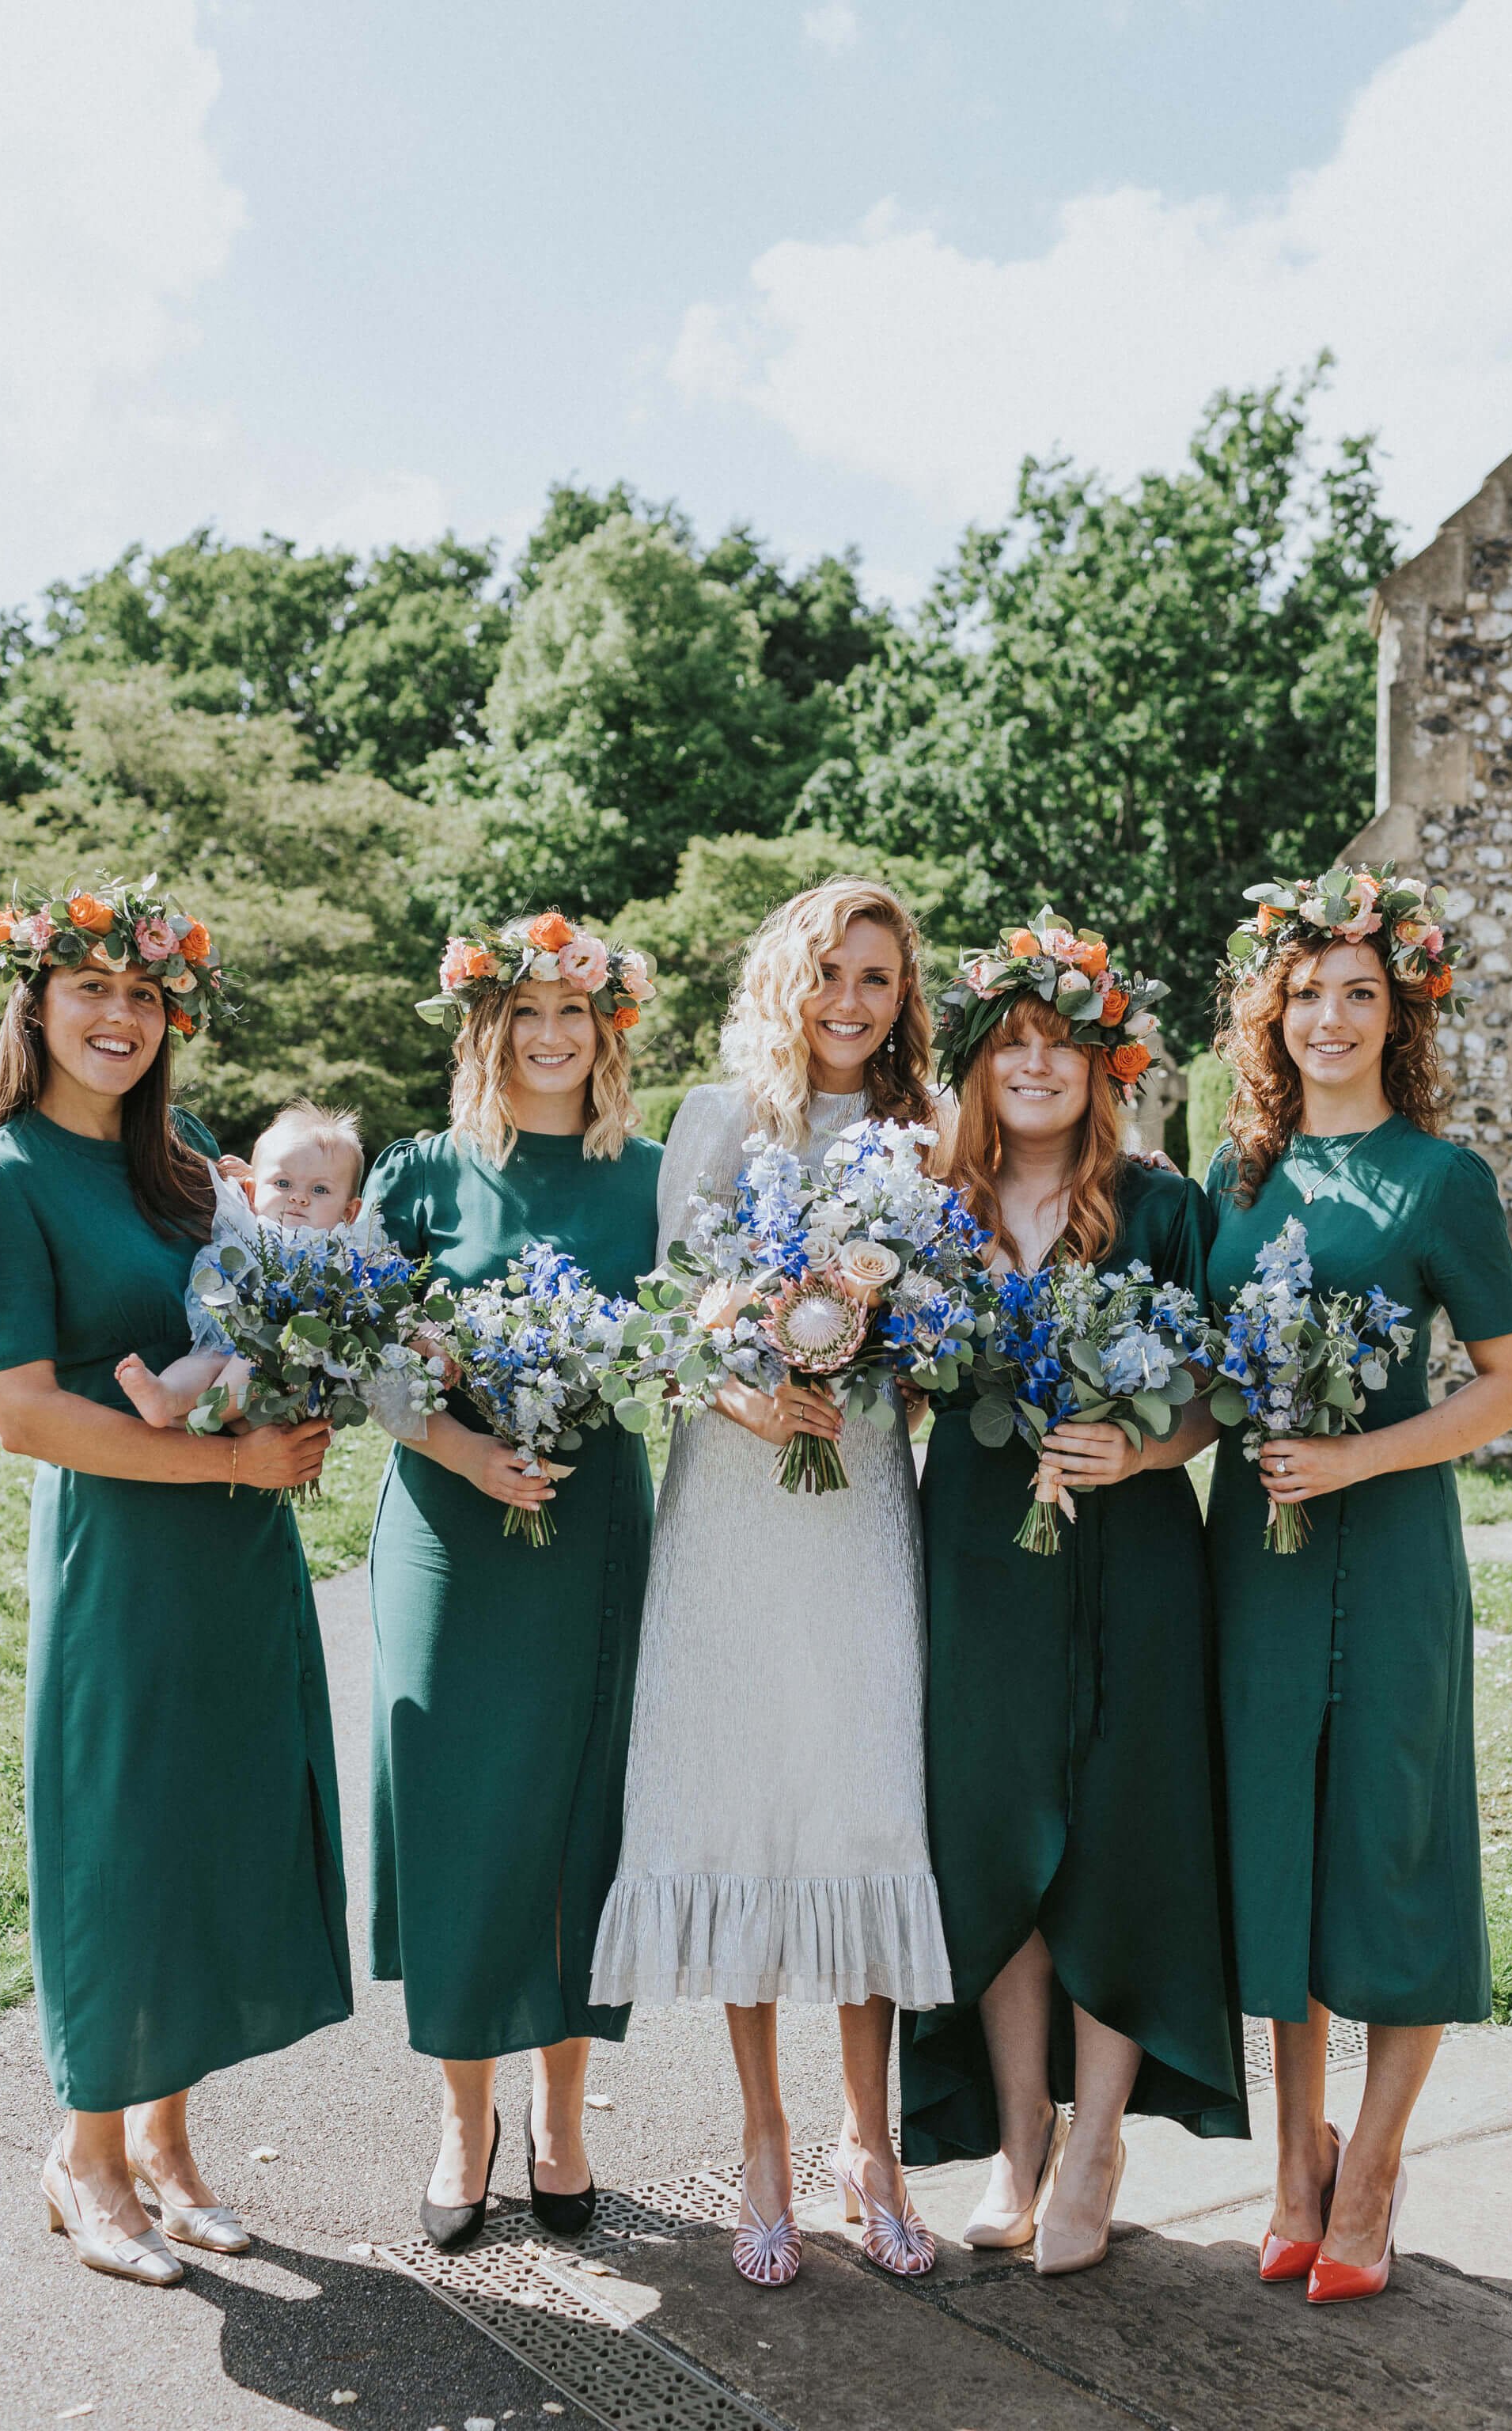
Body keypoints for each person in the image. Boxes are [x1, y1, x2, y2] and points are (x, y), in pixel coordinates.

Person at [0, 881, 347, 2286]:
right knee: (121, 1845)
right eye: (90, 990)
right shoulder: (2, 1176)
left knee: (214, 1833)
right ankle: (88, 2155)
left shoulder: (181, 1156)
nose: (118, 1016)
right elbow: (24, 1415)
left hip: (240, 1549)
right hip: (124, 1556)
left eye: (142, 995)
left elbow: (252, 1310)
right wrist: (229, 1468)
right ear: (37, 1003)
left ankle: (169, 2147)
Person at [592, 877, 953, 2288]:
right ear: (785, 982)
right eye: (830, 974)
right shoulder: (714, 1118)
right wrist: (750, 1398)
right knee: (742, 1796)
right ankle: (762, 2137)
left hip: (860, 1494)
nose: (852, 1003)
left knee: (861, 1799)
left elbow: (934, 1319)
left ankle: (872, 2146)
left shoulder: (916, 1135)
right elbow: (673, 1306)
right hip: (737, 1501)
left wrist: (897, 1361)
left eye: (877, 978)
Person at [1206, 866, 1512, 2304]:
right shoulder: (1236, 1177)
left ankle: (1377, 2167)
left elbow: (1506, 1388)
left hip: (1388, 1549)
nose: (1328, 1018)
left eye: (1358, 994)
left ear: (1395, 1012)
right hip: (1252, 1558)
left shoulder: (1442, 1178)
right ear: (1267, 1014)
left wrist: (1358, 1461)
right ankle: (1293, 2160)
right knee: (1273, 1848)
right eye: (1304, 995)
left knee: (1390, 1856)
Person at [900, 915, 1245, 2276]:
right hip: (981, 1548)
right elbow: (891, 1377)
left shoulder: (1161, 1205)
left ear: (1102, 1066)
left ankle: (1099, 2137)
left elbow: (1223, 1389)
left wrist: (1142, 1445)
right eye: (1010, 1045)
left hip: (1137, 1551)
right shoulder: (930, 1213)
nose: (1034, 1065)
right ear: (978, 1066)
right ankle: (1019, 2142)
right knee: (994, 1834)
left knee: (1119, 1829)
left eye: (1061, 1044)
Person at [363, 912, 661, 2251]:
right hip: (446, 1520)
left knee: (575, 1808)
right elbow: (366, 1357)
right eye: (522, 1013)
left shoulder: (646, 1176)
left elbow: (689, 1340)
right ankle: (457, 2113)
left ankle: (561, 2114)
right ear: (485, 1027)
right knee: (458, 1808)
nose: (549, 1035)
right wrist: (469, 1449)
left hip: (591, 1518)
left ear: (606, 1029)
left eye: (572, 1012)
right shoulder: (418, 1171)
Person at [116, 1098, 365, 1428]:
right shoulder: (248, 1222)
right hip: (228, 1335)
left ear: (349, 1212)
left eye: (320, 1189)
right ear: (251, 1191)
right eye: (284, 1184)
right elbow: (251, 1193)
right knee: (202, 1363)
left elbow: (377, 1300)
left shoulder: (342, 1252)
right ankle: (166, 1397)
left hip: (279, 1357)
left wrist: (429, 1338)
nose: (299, 1197)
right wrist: (257, 1178)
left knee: (250, 1361)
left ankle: (202, 1418)